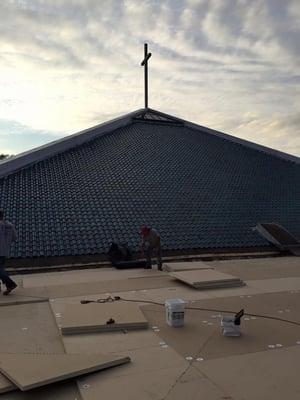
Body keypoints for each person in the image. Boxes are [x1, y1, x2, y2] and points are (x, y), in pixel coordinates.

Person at [0, 210, 17, 295]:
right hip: (5, 251)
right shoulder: (10, 225)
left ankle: (10, 284)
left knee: (0, 270)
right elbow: (14, 237)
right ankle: (8, 285)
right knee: (1, 268)